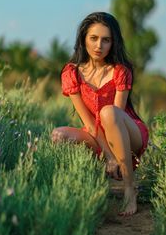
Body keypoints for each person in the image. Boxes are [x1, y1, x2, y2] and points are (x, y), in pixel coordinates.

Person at [51, 12, 149, 217]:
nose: (99, 46)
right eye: (93, 38)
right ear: (83, 39)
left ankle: (130, 188)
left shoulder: (121, 71)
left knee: (108, 112)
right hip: (96, 134)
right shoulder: (71, 73)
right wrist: (108, 156)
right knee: (58, 135)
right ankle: (83, 187)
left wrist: (114, 155)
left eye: (106, 40)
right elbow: (88, 121)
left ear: (113, 43)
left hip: (128, 132)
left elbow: (116, 117)